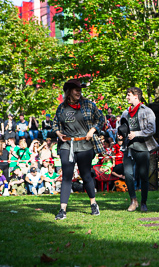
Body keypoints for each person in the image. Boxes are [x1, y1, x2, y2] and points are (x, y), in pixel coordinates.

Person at [53, 79, 105, 220]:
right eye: (76, 89)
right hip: (67, 145)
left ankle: (93, 204)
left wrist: (93, 130)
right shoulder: (62, 108)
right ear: (69, 91)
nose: (79, 92)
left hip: (84, 144)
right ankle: (62, 210)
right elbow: (55, 123)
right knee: (67, 176)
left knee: (86, 175)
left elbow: (101, 118)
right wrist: (58, 133)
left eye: (80, 89)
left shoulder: (88, 105)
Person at [119, 87, 158, 212]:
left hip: (143, 148)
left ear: (136, 96)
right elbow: (120, 129)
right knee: (128, 174)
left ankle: (143, 202)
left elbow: (152, 129)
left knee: (143, 176)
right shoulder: (125, 113)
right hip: (128, 148)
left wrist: (136, 134)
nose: (127, 97)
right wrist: (119, 135)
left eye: (128, 95)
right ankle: (133, 200)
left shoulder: (147, 111)